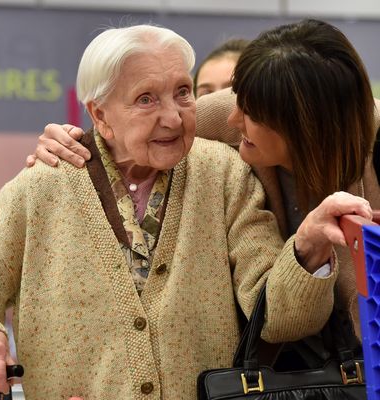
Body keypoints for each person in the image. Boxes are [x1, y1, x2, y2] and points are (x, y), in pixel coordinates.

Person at [0, 24, 371, 400]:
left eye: (183, 92)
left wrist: (307, 252)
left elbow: (276, 317)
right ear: (100, 114)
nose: (173, 117)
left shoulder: (224, 174)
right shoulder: (41, 188)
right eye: (146, 99)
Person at [28, 19, 380, 367]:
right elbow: (123, 126)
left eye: (251, 113)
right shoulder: (227, 110)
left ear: (303, 126)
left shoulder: (371, 146)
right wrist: (69, 143)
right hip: (270, 367)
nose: (233, 119)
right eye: (237, 99)